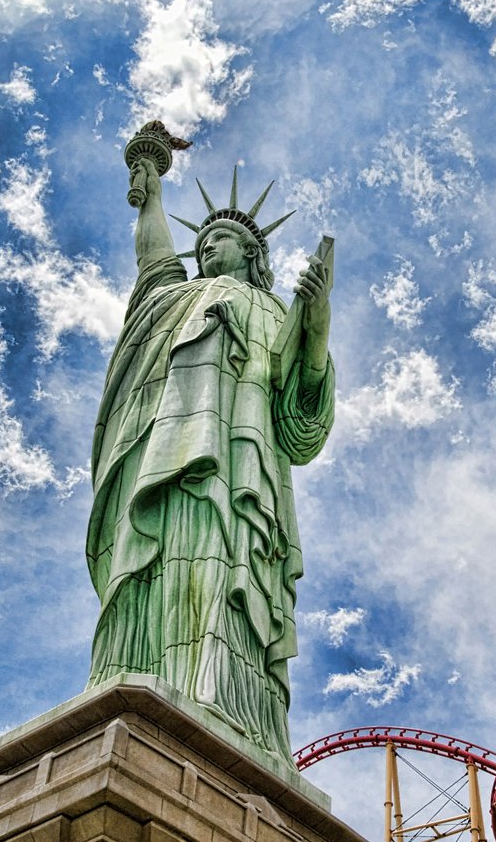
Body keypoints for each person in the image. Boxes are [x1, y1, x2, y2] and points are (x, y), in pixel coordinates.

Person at [85, 154, 334, 759]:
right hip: (160, 461)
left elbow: (301, 428)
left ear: (252, 253)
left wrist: (317, 328)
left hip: (238, 470)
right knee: (154, 571)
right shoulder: (177, 296)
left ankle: (224, 698)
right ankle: (133, 679)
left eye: (219, 240)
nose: (208, 249)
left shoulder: (275, 312)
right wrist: (149, 194)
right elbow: (154, 260)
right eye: (203, 241)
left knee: (223, 576)